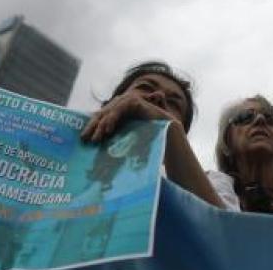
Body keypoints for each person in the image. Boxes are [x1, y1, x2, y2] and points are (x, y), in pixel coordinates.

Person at [80, 61, 225, 208]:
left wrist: (171, 130)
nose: (158, 96)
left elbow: (219, 228)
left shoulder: (210, 184)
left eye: (173, 103)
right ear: (113, 101)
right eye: (145, 87)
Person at [210, 96, 273, 213]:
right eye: (245, 117)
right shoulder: (204, 194)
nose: (260, 119)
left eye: (271, 118)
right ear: (227, 142)